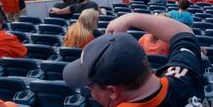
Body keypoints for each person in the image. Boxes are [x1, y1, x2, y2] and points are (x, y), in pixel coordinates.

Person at [63, 12, 205, 106]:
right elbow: (182, 32)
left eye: (90, 86)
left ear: (112, 92)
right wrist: (131, 18)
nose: (90, 93)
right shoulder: (185, 77)